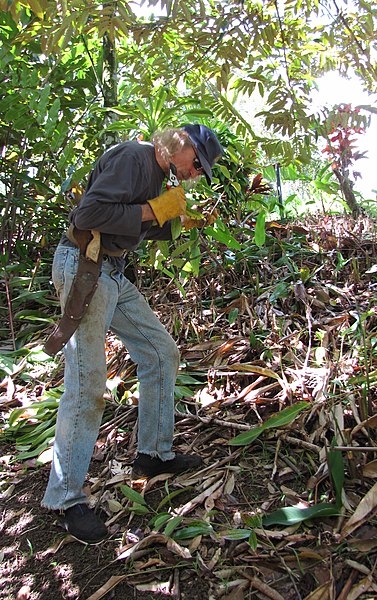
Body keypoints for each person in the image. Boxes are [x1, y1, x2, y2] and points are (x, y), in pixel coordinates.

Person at [42, 124, 223, 544]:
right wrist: (154, 210)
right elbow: (88, 215)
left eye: (201, 170)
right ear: (180, 146)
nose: (196, 172)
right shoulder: (134, 157)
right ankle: (64, 498)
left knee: (161, 353)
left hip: (111, 272)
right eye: (197, 163)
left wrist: (183, 218)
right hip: (84, 267)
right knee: (88, 385)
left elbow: (140, 226)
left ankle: (153, 453)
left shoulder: (158, 175)